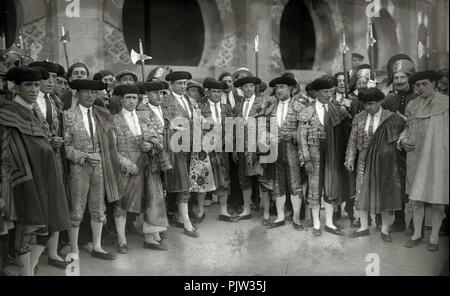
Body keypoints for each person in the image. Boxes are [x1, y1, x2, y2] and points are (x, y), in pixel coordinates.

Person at [1, 67, 70, 275]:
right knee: (27, 226)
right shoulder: (8, 113)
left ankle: (29, 270)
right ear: (15, 87)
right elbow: (6, 149)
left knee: (49, 225)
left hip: (45, 175)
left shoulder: (35, 112)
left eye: (36, 85)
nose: (33, 90)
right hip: (21, 180)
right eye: (28, 85)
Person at [63, 79, 121, 260]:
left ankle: (97, 246)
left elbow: (111, 142)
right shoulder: (68, 115)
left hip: (100, 166)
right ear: (77, 93)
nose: (90, 95)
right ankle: (74, 249)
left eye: (93, 92)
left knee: (98, 207)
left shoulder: (101, 114)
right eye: (86, 91)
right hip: (79, 167)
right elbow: (66, 147)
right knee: (77, 209)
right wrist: (84, 156)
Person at [112, 84, 171, 252]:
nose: (132, 101)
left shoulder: (144, 116)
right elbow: (111, 149)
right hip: (125, 168)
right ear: (121, 99)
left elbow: (158, 139)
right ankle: (122, 240)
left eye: (135, 98)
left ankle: (149, 238)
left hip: (146, 164)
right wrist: (125, 163)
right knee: (121, 204)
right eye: (128, 98)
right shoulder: (114, 119)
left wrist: (150, 145)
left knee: (149, 200)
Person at [345, 88, 406, 242]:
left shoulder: (392, 118)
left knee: (384, 193)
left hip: (384, 162)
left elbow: (405, 132)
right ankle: (364, 227)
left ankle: (385, 229)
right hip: (363, 160)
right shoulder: (359, 117)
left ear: (380, 102)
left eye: (371, 104)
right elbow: (352, 141)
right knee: (361, 193)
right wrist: (350, 159)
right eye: (365, 104)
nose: (367, 107)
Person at [399, 71, 449, 251]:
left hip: (438, 156)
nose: (421, 88)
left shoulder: (446, 103)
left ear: (434, 83)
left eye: (425, 84)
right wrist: (402, 140)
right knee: (416, 197)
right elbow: (406, 127)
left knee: (437, 198)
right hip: (415, 156)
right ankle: (417, 234)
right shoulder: (412, 105)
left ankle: (434, 237)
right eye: (418, 85)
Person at [28, 62, 71, 269]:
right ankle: (29, 259)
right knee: (37, 208)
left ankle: (52, 253)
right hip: (33, 162)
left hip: (55, 160)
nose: (51, 82)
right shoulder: (26, 102)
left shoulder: (54, 101)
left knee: (55, 205)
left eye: (54, 77)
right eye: (47, 78)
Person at [298, 77, 354, 236]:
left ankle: (329, 222)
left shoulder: (337, 108)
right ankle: (317, 223)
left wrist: (349, 110)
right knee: (315, 188)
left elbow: (348, 125)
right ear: (316, 93)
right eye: (325, 92)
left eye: (331, 91)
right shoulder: (307, 110)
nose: (329, 94)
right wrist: (306, 158)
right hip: (314, 153)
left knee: (331, 186)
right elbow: (301, 137)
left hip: (333, 152)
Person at [381, 54, 416, 234]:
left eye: (403, 77)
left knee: (412, 185)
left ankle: (413, 224)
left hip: (413, 148)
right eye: (396, 78)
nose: (399, 81)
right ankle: (400, 221)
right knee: (397, 184)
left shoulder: (416, 97)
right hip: (394, 147)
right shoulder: (390, 98)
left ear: (409, 78)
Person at [162, 71, 200, 238]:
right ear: (171, 85)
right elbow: (169, 123)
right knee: (181, 183)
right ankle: (185, 221)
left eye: (185, 83)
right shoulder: (165, 101)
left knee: (185, 182)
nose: (183, 86)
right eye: (179, 83)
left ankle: (179, 216)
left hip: (189, 145)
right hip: (175, 146)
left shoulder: (187, 100)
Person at [232, 75, 274, 221]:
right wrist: (236, 149)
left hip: (259, 146)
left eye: (251, 86)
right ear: (241, 89)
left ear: (255, 87)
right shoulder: (238, 105)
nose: (249, 89)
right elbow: (235, 128)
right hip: (243, 147)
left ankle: (266, 212)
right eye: (245, 87)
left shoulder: (264, 102)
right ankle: (247, 209)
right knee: (244, 178)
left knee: (263, 179)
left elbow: (269, 124)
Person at [266, 75, 305, 230]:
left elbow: (306, 131)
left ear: (291, 89)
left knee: (295, 183)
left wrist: (295, 134)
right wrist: (268, 136)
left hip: (292, 149)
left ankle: (296, 218)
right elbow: (265, 128)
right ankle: (280, 216)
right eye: (277, 87)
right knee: (278, 184)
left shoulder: (299, 107)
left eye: (282, 87)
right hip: (275, 150)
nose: (278, 90)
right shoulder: (271, 107)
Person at [200, 78, 237, 222]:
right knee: (202, 178)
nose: (216, 94)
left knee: (224, 178)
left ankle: (223, 210)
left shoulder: (226, 108)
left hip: (222, 149)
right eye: (213, 91)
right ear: (207, 92)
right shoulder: (200, 107)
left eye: (219, 92)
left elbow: (232, 128)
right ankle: (200, 211)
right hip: (205, 149)